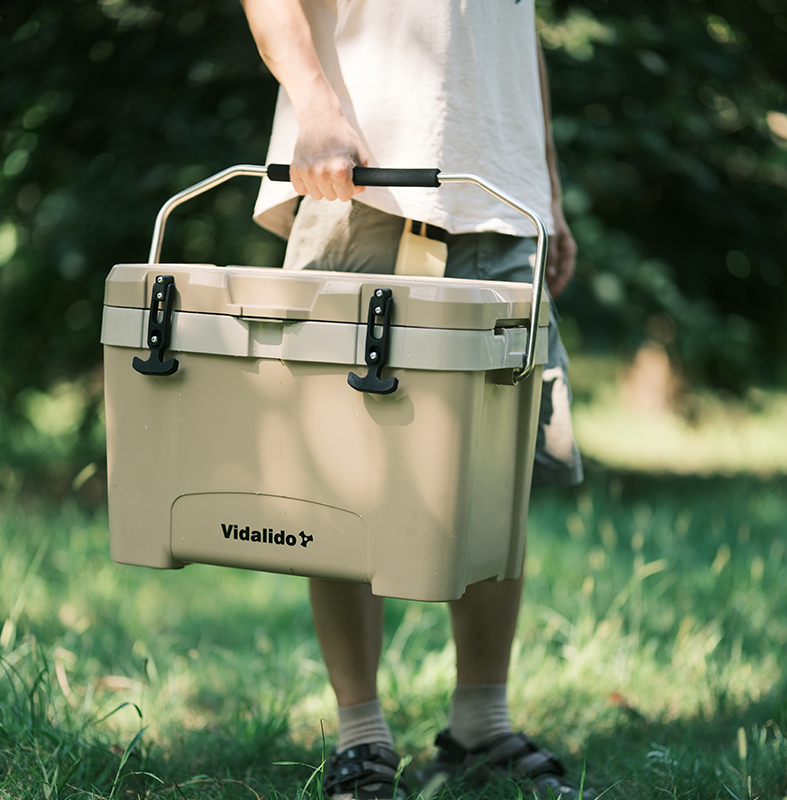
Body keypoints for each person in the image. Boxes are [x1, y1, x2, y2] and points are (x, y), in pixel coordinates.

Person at [239, 2, 596, 798]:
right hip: (363, 178)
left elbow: (517, 36)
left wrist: (552, 194)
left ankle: (481, 723)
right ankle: (361, 736)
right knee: (340, 471)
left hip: (503, 200)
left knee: (494, 477)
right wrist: (317, 110)